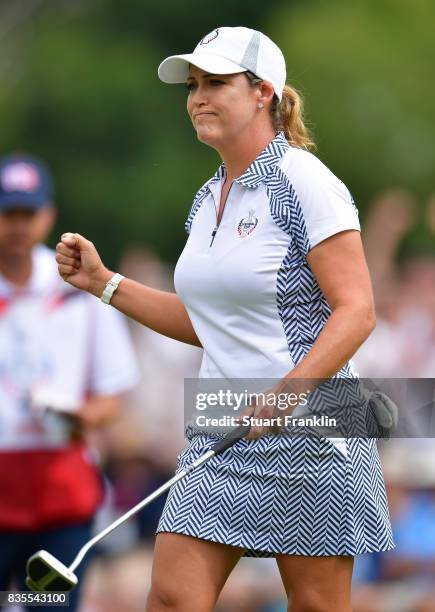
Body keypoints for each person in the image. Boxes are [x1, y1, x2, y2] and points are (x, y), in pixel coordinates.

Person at [55, 26, 394, 612]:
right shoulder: (209, 195)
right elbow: (210, 324)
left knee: (316, 606)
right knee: (171, 598)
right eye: (192, 86)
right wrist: (103, 282)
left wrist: (288, 396)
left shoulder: (307, 183)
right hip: (222, 423)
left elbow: (357, 309)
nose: (197, 98)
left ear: (263, 93)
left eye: (216, 83)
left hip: (312, 427)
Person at [0, 152, 138, 611]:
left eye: (28, 213)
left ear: (49, 216)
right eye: (8, 213)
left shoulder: (75, 287)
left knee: (51, 609)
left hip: (61, 502)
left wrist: (82, 416)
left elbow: (114, 394)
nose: (18, 226)